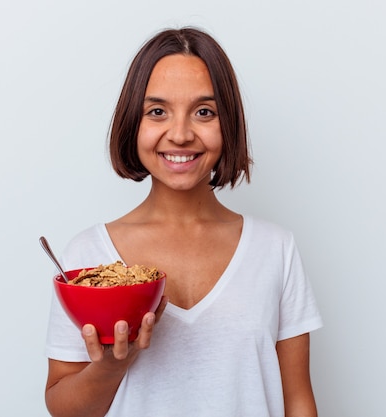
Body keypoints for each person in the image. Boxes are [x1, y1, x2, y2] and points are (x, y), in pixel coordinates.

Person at [44, 27, 323, 417]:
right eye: (157, 111)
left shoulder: (276, 249)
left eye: (204, 112)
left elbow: (297, 400)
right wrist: (112, 365)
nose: (180, 134)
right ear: (133, 123)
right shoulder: (88, 256)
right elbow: (62, 407)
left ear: (228, 123)